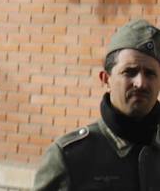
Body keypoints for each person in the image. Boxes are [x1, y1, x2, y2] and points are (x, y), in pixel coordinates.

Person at [33, 19, 160, 190]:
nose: (141, 83)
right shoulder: (70, 158)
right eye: (129, 72)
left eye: (150, 74)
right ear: (106, 79)